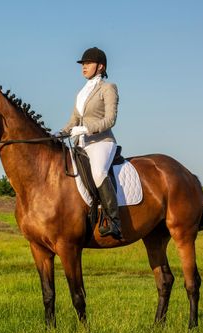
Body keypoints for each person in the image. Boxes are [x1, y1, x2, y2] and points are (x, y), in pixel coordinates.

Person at [61, 47, 123, 241]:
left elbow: (110, 119)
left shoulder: (108, 88)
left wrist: (86, 129)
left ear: (100, 66)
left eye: (88, 63)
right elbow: (73, 120)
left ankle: (114, 221)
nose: (84, 67)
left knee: (98, 172)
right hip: (81, 143)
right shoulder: (81, 93)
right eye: (83, 64)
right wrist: (60, 133)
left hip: (101, 141)